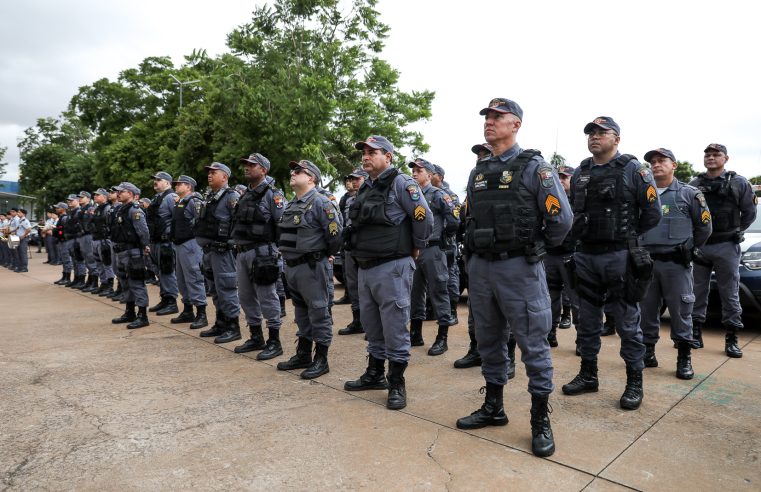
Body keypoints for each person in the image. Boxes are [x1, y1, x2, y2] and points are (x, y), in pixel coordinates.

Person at [456, 98, 571, 458]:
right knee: (488, 339)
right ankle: (494, 407)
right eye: (487, 117)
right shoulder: (478, 171)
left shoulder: (535, 168)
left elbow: (562, 221)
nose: (489, 122)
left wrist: (533, 249)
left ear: (516, 124)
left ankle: (540, 419)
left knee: (533, 343)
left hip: (519, 268)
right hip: (483, 269)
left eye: (497, 117)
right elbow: (469, 217)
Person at [562, 116, 661, 411]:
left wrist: (627, 237)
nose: (595, 136)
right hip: (587, 256)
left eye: (602, 132)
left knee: (628, 322)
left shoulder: (634, 170)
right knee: (588, 321)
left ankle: (634, 382)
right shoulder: (581, 171)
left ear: (616, 139)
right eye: (591, 132)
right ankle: (588, 375)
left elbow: (653, 212)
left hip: (620, 256)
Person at [343, 135, 433, 410]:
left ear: (388, 156)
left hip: (392, 266)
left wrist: (416, 247)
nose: (366, 156)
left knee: (394, 327)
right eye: (364, 152)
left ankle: (396, 382)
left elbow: (423, 218)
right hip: (366, 267)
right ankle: (374, 373)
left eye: (373, 152)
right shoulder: (366, 188)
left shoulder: (401, 183)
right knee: (372, 326)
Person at [639, 148, 712, 379]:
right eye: (652, 161)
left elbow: (704, 227)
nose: (656, 164)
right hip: (648, 263)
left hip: (676, 264)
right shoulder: (643, 193)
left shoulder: (689, 194)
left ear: (674, 165)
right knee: (646, 310)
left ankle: (683, 358)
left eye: (662, 160)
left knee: (681, 311)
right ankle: (647, 353)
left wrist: (689, 248)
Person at [275, 160, 342, 379]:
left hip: (312, 267)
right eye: (292, 170)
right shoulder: (291, 204)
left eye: (298, 171)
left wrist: (324, 254)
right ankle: (303, 354)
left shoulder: (322, 203)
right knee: (301, 313)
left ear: (311, 178)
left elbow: (335, 234)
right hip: (292, 268)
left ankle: (321, 359)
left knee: (319, 312)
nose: (292, 174)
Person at [689, 144, 757, 358]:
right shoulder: (695, 184)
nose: (711, 158)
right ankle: (695, 333)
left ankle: (732, 338)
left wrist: (737, 231)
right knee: (696, 292)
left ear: (725, 158)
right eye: (707, 155)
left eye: (716, 154)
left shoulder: (739, 182)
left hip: (726, 245)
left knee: (730, 292)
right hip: (701, 246)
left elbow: (749, 213)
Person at [231, 153, 286, 358]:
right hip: (243, 252)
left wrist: (280, 250)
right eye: (245, 164)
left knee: (267, 296)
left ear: (263, 170)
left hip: (263, 252)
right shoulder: (245, 194)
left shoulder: (272, 194)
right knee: (245, 296)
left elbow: (283, 222)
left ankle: (274, 340)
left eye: (252, 165)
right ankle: (256, 336)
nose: (247, 167)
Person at [408, 158, 459, 355]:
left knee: (439, 291)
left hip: (433, 249)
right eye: (412, 170)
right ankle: (416, 334)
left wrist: (444, 239)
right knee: (415, 292)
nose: (414, 173)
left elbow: (454, 219)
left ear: (429, 175)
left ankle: (442, 337)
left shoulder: (438, 194)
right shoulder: (411, 195)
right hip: (416, 250)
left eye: (419, 171)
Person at [194, 162, 242, 343]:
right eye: (209, 172)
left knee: (227, 288)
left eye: (214, 172)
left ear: (225, 177)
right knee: (214, 289)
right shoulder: (210, 197)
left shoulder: (232, 197)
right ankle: (221, 323)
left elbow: (238, 223)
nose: (210, 175)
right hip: (209, 250)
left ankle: (233, 326)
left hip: (223, 252)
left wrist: (232, 243)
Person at [543, 165, 579, 349]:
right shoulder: (550, 199)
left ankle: (582, 339)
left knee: (578, 299)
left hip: (572, 256)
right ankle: (551, 333)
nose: (562, 180)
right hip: (550, 256)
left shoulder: (580, 201)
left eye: (565, 177)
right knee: (550, 298)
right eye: (559, 177)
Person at [168, 175, 209, 329]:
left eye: (179, 184)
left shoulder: (194, 201)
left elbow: (200, 222)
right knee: (181, 279)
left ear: (188, 186)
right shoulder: (180, 202)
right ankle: (187, 310)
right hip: (179, 244)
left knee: (193, 277)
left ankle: (201, 313)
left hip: (190, 244)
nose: (176, 186)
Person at [110, 182, 152, 329]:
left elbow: (143, 231)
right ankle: (129, 312)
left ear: (131, 194)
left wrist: (146, 246)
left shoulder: (135, 210)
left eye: (122, 191)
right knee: (124, 282)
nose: (119, 193)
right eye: (118, 191)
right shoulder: (121, 209)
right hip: (121, 251)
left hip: (133, 251)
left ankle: (142, 315)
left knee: (136, 282)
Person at [337, 167, 369, 335]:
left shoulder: (371, 196)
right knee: (353, 284)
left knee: (368, 286)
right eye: (352, 179)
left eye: (357, 178)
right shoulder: (348, 200)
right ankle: (357, 321)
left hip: (366, 248)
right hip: (351, 247)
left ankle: (371, 324)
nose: (354, 181)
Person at [431, 163, 462, 325]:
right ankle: (432, 310)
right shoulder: (426, 193)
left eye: (433, 174)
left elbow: (454, 220)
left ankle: (452, 311)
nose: (429, 176)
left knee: (450, 277)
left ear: (440, 177)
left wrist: (447, 236)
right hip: (433, 245)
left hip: (447, 244)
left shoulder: (450, 195)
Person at [146, 172, 180, 315]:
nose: (156, 182)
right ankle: (165, 298)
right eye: (155, 180)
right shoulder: (157, 198)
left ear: (167, 183)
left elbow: (177, 218)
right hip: (156, 241)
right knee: (160, 271)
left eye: (159, 180)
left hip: (166, 241)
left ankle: (171, 301)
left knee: (167, 271)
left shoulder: (171, 197)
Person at [87, 189, 116, 295]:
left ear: (104, 196)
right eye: (94, 195)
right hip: (95, 239)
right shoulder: (97, 208)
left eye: (98, 195)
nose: (95, 196)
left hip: (103, 240)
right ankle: (103, 283)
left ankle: (110, 286)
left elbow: (108, 224)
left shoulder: (107, 208)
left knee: (107, 263)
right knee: (99, 263)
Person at [75, 191, 99, 291]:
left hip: (88, 235)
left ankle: (94, 282)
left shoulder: (90, 208)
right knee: (86, 259)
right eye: (79, 197)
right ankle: (90, 281)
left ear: (88, 199)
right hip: (82, 236)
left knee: (90, 258)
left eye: (82, 197)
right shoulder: (81, 209)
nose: (80, 198)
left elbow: (92, 222)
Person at [63, 195, 87, 288]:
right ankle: (76, 278)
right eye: (68, 200)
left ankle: (81, 279)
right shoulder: (71, 212)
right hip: (70, 238)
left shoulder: (78, 211)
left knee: (79, 259)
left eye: (71, 200)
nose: (69, 202)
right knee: (74, 260)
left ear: (77, 201)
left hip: (76, 238)